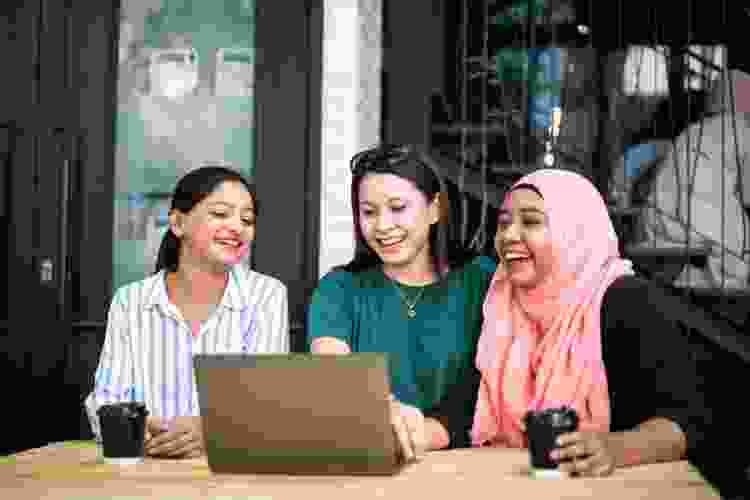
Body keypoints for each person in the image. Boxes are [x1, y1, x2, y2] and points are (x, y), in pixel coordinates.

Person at [423, 168, 722, 477]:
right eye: (504, 223)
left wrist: (615, 448)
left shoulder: (625, 299)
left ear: (574, 230)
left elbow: (689, 419)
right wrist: (415, 430)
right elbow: (469, 403)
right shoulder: (502, 299)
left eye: (531, 222)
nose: (509, 236)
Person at [307, 144, 496, 461]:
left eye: (397, 207)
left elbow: (495, 383)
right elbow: (335, 378)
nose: (382, 226)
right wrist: (388, 419)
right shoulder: (338, 289)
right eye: (368, 212)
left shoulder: (483, 280)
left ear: (434, 209)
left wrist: (430, 431)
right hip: (373, 458)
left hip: (469, 463)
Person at [85, 166, 289, 458]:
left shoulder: (267, 296)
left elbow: (267, 403)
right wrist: (136, 428)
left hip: (230, 475)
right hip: (144, 473)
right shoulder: (130, 301)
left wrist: (211, 432)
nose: (237, 227)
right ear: (178, 223)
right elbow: (106, 401)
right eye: (220, 214)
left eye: (247, 219)